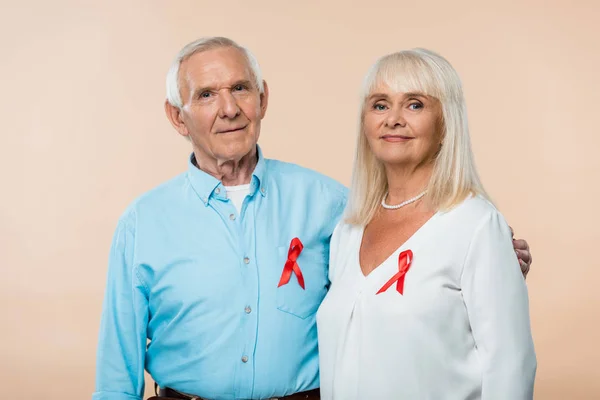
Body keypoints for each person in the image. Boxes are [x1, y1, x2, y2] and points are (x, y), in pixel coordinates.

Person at [93, 37, 533, 400]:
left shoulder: (334, 206)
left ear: (263, 99)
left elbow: (416, 254)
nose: (228, 109)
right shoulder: (143, 223)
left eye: (241, 89)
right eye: (206, 95)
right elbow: (117, 372)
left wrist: (494, 265)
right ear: (177, 116)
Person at [316, 48, 537, 400]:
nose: (394, 119)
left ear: (446, 122)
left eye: (415, 104)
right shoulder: (349, 229)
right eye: (380, 104)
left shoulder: (476, 225)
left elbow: (509, 367)